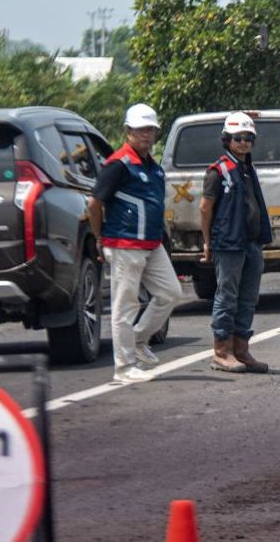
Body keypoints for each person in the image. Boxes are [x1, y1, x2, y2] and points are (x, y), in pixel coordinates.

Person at [88, 103, 184, 384]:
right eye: (140, 129)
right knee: (124, 304)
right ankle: (123, 367)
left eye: (150, 130)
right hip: (124, 243)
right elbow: (95, 203)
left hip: (152, 244)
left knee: (171, 293)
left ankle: (139, 339)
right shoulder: (118, 164)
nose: (146, 134)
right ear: (128, 131)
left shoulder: (152, 167)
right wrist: (99, 237)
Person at [200, 112, 273, 374]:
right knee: (227, 296)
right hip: (228, 244)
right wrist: (208, 243)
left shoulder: (247, 169)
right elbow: (205, 208)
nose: (243, 142)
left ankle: (241, 350)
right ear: (227, 139)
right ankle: (222, 351)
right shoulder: (217, 171)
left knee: (249, 297)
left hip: (251, 243)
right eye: (238, 138)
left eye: (248, 138)